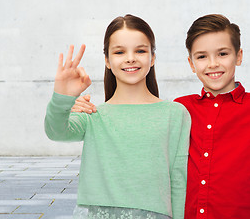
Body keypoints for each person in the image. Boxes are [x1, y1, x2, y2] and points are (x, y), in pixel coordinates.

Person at [72, 14, 250, 218]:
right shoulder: (180, 109)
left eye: (223, 54)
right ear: (191, 63)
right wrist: (82, 108)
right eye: (202, 56)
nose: (213, 64)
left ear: (239, 56)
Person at [44, 14, 191, 219]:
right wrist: (63, 97)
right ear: (107, 60)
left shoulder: (175, 113)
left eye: (140, 50)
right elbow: (55, 130)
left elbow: (178, 179)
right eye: (120, 51)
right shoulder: (92, 114)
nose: (130, 58)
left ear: (153, 57)